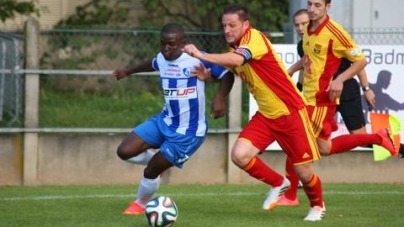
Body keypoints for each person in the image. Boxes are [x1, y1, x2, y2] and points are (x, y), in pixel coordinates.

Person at [183, 3, 325, 221]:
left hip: (290, 112)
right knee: (239, 155)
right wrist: (208, 78)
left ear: (245, 25)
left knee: (304, 172)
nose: (227, 30)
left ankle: (317, 206)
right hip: (266, 116)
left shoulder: (254, 39)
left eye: (232, 25)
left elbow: (238, 60)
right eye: (224, 26)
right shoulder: (233, 48)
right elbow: (230, 71)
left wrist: (201, 54)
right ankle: (279, 183)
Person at [111, 22, 234, 216]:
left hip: (188, 133)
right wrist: (127, 71)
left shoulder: (195, 58)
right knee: (124, 151)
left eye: (171, 44)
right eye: (163, 44)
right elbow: (151, 63)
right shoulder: (161, 58)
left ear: (182, 43)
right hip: (164, 121)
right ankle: (157, 162)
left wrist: (219, 99)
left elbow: (227, 75)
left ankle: (141, 203)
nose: (166, 48)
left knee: (150, 172)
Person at [283, 0, 397, 207]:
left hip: (327, 97)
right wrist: (291, 72)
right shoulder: (308, 30)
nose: (312, 9)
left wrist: (350, 83)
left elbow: (361, 61)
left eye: (317, 5)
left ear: (328, 7)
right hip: (313, 97)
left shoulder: (336, 32)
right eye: (309, 4)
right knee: (324, 147)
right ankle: (379, 138)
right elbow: (309, 60)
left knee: (295, 136)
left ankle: (290, 194)